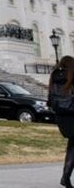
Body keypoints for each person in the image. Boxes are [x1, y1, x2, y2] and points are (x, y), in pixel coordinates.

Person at [50, 55, 74, 188]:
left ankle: (66, 177)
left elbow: (50, 100)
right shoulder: (72, 76)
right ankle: (65, 177)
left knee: (72, 146)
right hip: (72, 114)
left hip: (61, 117)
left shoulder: (54, 77)